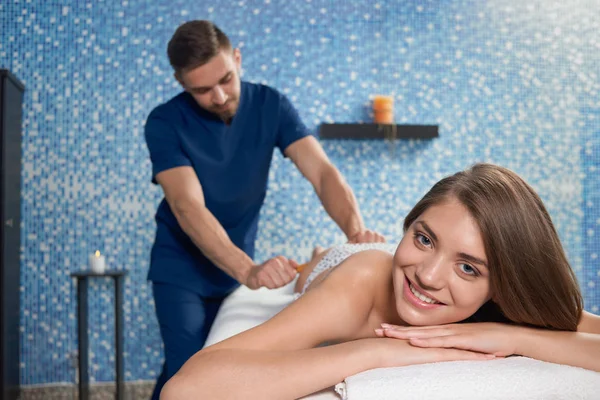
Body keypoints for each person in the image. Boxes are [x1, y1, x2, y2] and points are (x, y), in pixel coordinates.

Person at [159, 163, 600, 400]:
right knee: (322, 260)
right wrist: (379, 349)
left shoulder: (497, 305)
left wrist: (506, 334)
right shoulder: (358, 289)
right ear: (408, 227)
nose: (428, 276)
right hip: (348, 264)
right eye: (424, 238)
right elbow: (186, 389)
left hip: (383, 257)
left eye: (468, 267)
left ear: (502, 286)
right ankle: (323, 253)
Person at [143, 20, 385, 399]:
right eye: (203, 90)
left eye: (225, 79)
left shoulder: (271, 104)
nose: (220, 97)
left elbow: (321, 172)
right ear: (181, 83)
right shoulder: (164, 121)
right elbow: (186, 206)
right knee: (189, 368)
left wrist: (354, 232)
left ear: (237, 58)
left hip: (235, 264)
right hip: (182, 271)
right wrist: (248, 269)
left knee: (190, 365)